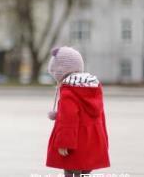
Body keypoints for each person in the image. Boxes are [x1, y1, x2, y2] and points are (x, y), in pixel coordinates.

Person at [46, 46, 110, 177]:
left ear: (60, 71)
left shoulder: (69, 91)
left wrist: (64, 143)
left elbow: (68, 119)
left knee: (70, 169)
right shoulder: (94, 86)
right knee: (85, 169)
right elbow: (99, 115)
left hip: (75, 141)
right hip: (93, 139)